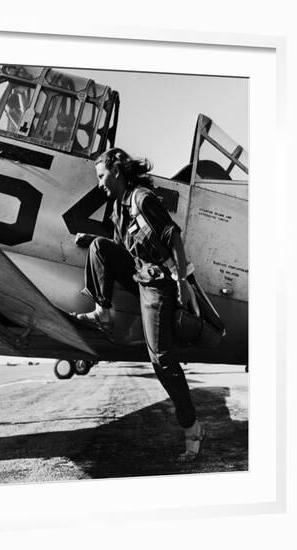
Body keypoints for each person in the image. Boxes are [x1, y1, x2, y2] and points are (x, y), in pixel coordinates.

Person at [75, 147, 204, 462]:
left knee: (160, 359)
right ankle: (103, 311)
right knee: (99, 247)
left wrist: (183, 285)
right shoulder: (118, 208)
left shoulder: (142, 199)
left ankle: (192, 427)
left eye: (102, 176)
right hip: (137, 274)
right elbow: (121, 248)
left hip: (158, 284)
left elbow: (173, 237)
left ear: (117, 172)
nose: (100, 184)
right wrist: (90, 239)